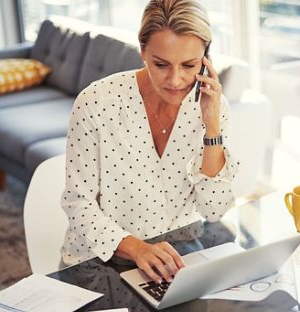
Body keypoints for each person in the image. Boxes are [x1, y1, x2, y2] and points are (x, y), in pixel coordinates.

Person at [60, 0, 238, 284]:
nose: (176, 80)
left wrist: (211, 124)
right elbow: (77, 203)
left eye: (189, 65)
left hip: (178, 256)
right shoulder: (96, 102)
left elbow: (214, 209)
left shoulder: (212, 107)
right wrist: (137, 248)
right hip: (99, 261)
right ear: (142, 51)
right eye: (161, 64)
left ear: (206, 58)